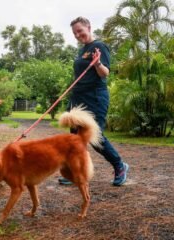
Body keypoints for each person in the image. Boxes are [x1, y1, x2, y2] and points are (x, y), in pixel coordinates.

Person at [59, 17, 129, 186]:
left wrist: (97, 63)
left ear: (89, 27)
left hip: (95, 98)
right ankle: (75, 173)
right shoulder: (82, 50)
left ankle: (120, 166)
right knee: (75, 139)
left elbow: (105, 73)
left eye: (80, 30)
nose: (77, 34)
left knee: (94, 137)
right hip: (78, 99)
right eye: (74, 32)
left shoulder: (99, 46)